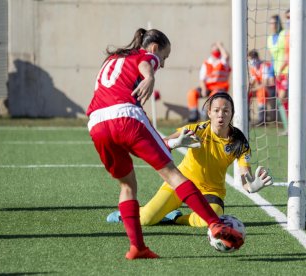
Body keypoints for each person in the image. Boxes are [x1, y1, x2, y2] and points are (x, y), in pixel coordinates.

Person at [86, 28, 244, 260]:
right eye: (165, 57)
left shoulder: (112, 59)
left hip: (96, 123)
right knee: (172, 174)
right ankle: (215, 224)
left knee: (127, 186)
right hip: (125, 115)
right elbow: (146, 64)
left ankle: (137, 248)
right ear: (154, 48)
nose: (164, 63)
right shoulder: (146, 56)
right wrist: (149, 76)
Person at [106, 92, 273, 227]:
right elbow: (159, 145)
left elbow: (246, 178)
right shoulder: (196, 130)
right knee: (146, 220)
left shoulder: (239, 142)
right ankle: (127, 214)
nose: (221, 115)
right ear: (209, 113)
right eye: (216, 110)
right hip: (180, 182)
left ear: (232, 114)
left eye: (226, 111)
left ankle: (176, 218)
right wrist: (175, 143)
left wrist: (252, 186)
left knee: (211, 218)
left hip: (211, 191)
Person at [187, 42, 231, 122]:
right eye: (214, 50)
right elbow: (202, 79)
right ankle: (194, 115)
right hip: (207, 87)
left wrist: (220, 46)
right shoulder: (207, 63)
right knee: (192, 93)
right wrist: (203, 89)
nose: (216, 52)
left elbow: (226, 56)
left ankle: (207, 114)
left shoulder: (223, 61)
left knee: (213, 96)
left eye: (218, 50)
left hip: (220, 88)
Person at [267, 14, 289, 133]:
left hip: (286, 71)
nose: (273, 25)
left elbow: (288, 52)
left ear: (279, 23)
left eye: (275, 23)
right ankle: (288, 127)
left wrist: (284, 66)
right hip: (277, 73)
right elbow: (272, 58)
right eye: (271, 23)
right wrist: (270, 73)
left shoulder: (284, 35)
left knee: (282, 98)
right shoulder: (270, 39)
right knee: (284, 100)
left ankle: (291, 126)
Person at [248, 49, 276, 125]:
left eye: (252, 59)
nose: (251, 62)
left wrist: (254, 89)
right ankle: (247, 118)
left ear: (257, 58)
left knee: (261, 92)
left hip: (271, 89)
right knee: (247, 94)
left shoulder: (264, 66)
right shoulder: (252, 68)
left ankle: (262, 119)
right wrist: (249, 90)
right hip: (261, 87)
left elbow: (265, 83)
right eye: (249, 60)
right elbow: (252, 82)